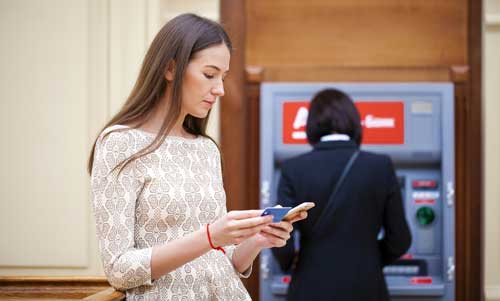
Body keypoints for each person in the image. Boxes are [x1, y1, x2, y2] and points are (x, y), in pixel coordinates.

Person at [88, 13, 306, 300]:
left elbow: (222, 261)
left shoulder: (205, 149)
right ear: (170, 68)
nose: (220, 89)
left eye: (223, 77)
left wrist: (256, 240)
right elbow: (119, 270)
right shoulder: (119, 144)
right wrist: (210, 236)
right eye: (209, 74)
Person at [272, 88, 412, 301]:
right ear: (354, 122)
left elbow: (280, 235)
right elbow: (400, 239)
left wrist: (289, 262)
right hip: (366, 287)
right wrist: (369, 259)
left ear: (311, 125)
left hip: (310, 287)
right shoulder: (381, 166)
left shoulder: (293, 168)